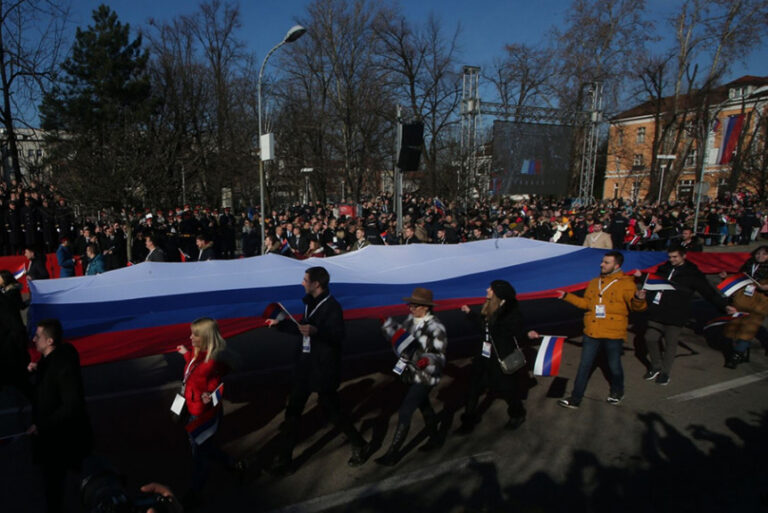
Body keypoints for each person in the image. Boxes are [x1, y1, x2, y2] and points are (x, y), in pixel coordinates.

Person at [266, 266, 371, 474]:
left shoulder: (332, 307)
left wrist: (317, 331)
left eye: (305, 280)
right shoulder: (311, 304)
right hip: (305, 367)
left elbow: (338, 335)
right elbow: (302, 328)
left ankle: (359, 444)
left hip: (323, 369)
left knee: (333, 411)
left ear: (316, 284)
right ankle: (284, 459)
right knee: (293, 411)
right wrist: (279, 324)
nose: (302, 283)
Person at [557, 251, 647, 409]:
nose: (601, 265)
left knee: (614, 366)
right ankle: (575, 398)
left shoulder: (626, 283)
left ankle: (617, 392)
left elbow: (635, 307)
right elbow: (586, 304)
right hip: (592, 331)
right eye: (602, 262)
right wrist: (566, 296)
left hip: (613, 332)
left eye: (606, 262)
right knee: (584, 365)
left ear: (616, 265)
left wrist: (639, 299)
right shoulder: (594, 282)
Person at [636, 247, 735, 385]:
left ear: (684, 256)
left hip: (677, 313)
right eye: (670, 257)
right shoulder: (664, 268)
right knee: (650, 338)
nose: (672, 260)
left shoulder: (693, 274)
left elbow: (708, 292)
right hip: (658, 312)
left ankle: (665, 372)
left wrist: (724, 306)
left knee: (670, 343)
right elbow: (652, 281)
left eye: (675, 257)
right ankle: (656, 366)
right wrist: (640, 275)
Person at [27, 319, 93, 513]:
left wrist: (42, 426)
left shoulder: (60, 367)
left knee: (55, 485)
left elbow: (71, 404)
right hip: (59, 437)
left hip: (58, 439)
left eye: (38, 336)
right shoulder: (55, 360)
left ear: (49, 341)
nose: (33, 339)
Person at [377, 287, 447, 466]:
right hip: (410, 373)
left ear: (426, 307)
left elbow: (439, 354)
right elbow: (401, 340)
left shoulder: (436, 327)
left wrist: (427, 360)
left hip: (425, 376)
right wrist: (388, 326)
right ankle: (436, 437)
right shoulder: (410, 321)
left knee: (405, 411)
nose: (411, 308)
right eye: (410, 305)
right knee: (424, 405)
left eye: (415, 306)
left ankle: (393, 454)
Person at [457, 280, 538, 434]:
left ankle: (517, 414)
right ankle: (468, 421)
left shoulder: (510, 311)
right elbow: (483, 328)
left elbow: (516, 330)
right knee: (473, 388)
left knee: (507, 389)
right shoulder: (489, 306)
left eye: (491, 289)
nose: (487, 290)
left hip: (500, 356)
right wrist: (470, 314)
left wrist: (527, 334)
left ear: (498, 294)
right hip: (483, 355)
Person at [176, 317, 236, 508]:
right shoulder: (199, 355)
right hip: (194, 408)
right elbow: (193, 370)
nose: (190, 337)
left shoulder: (209, 364)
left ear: (205, 338)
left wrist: (209, 395)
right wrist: (186, 355)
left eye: (195, 334)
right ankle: (230, 463)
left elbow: (213, 382)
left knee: (200, 454)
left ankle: (195, 491)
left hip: (201, 413)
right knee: (203, 448)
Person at [723, 279, 768, 368]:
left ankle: (737, 355)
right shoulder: (748, 266)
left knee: (747, 332)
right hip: (742, 301)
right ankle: (737, 351)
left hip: (759, 306)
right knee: (733, 329)